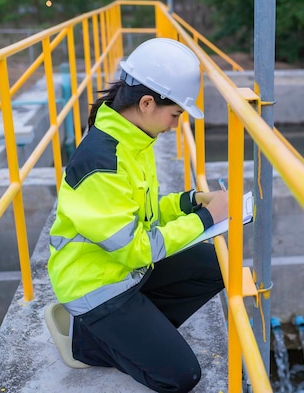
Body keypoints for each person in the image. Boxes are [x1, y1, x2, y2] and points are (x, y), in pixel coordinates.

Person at [47, 38, 228, 393]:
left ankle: (134, 333)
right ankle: (90, 342)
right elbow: (134, 247)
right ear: (147, 103)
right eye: (175, 114)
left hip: (125, 272)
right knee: (181, 377)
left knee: (218, 264)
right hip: (97, 287)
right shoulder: (104, 161)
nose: (176, 125)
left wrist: (189, 202)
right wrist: (206, 221)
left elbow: (141, 213)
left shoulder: (134, 139)